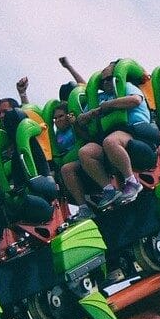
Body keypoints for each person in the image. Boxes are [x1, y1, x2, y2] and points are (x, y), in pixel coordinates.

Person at [59, 57, 153, 209]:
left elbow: (135, 100)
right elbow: (83, 118)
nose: (106, 83)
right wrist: (86, 116)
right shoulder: (100, 97)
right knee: (85, 152)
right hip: (108, 135)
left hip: (133, 130)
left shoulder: (127, 87)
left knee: (110, 141)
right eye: (103, 81)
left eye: (109, 79)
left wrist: (108, 105)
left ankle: (132, 182)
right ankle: (109, 190)